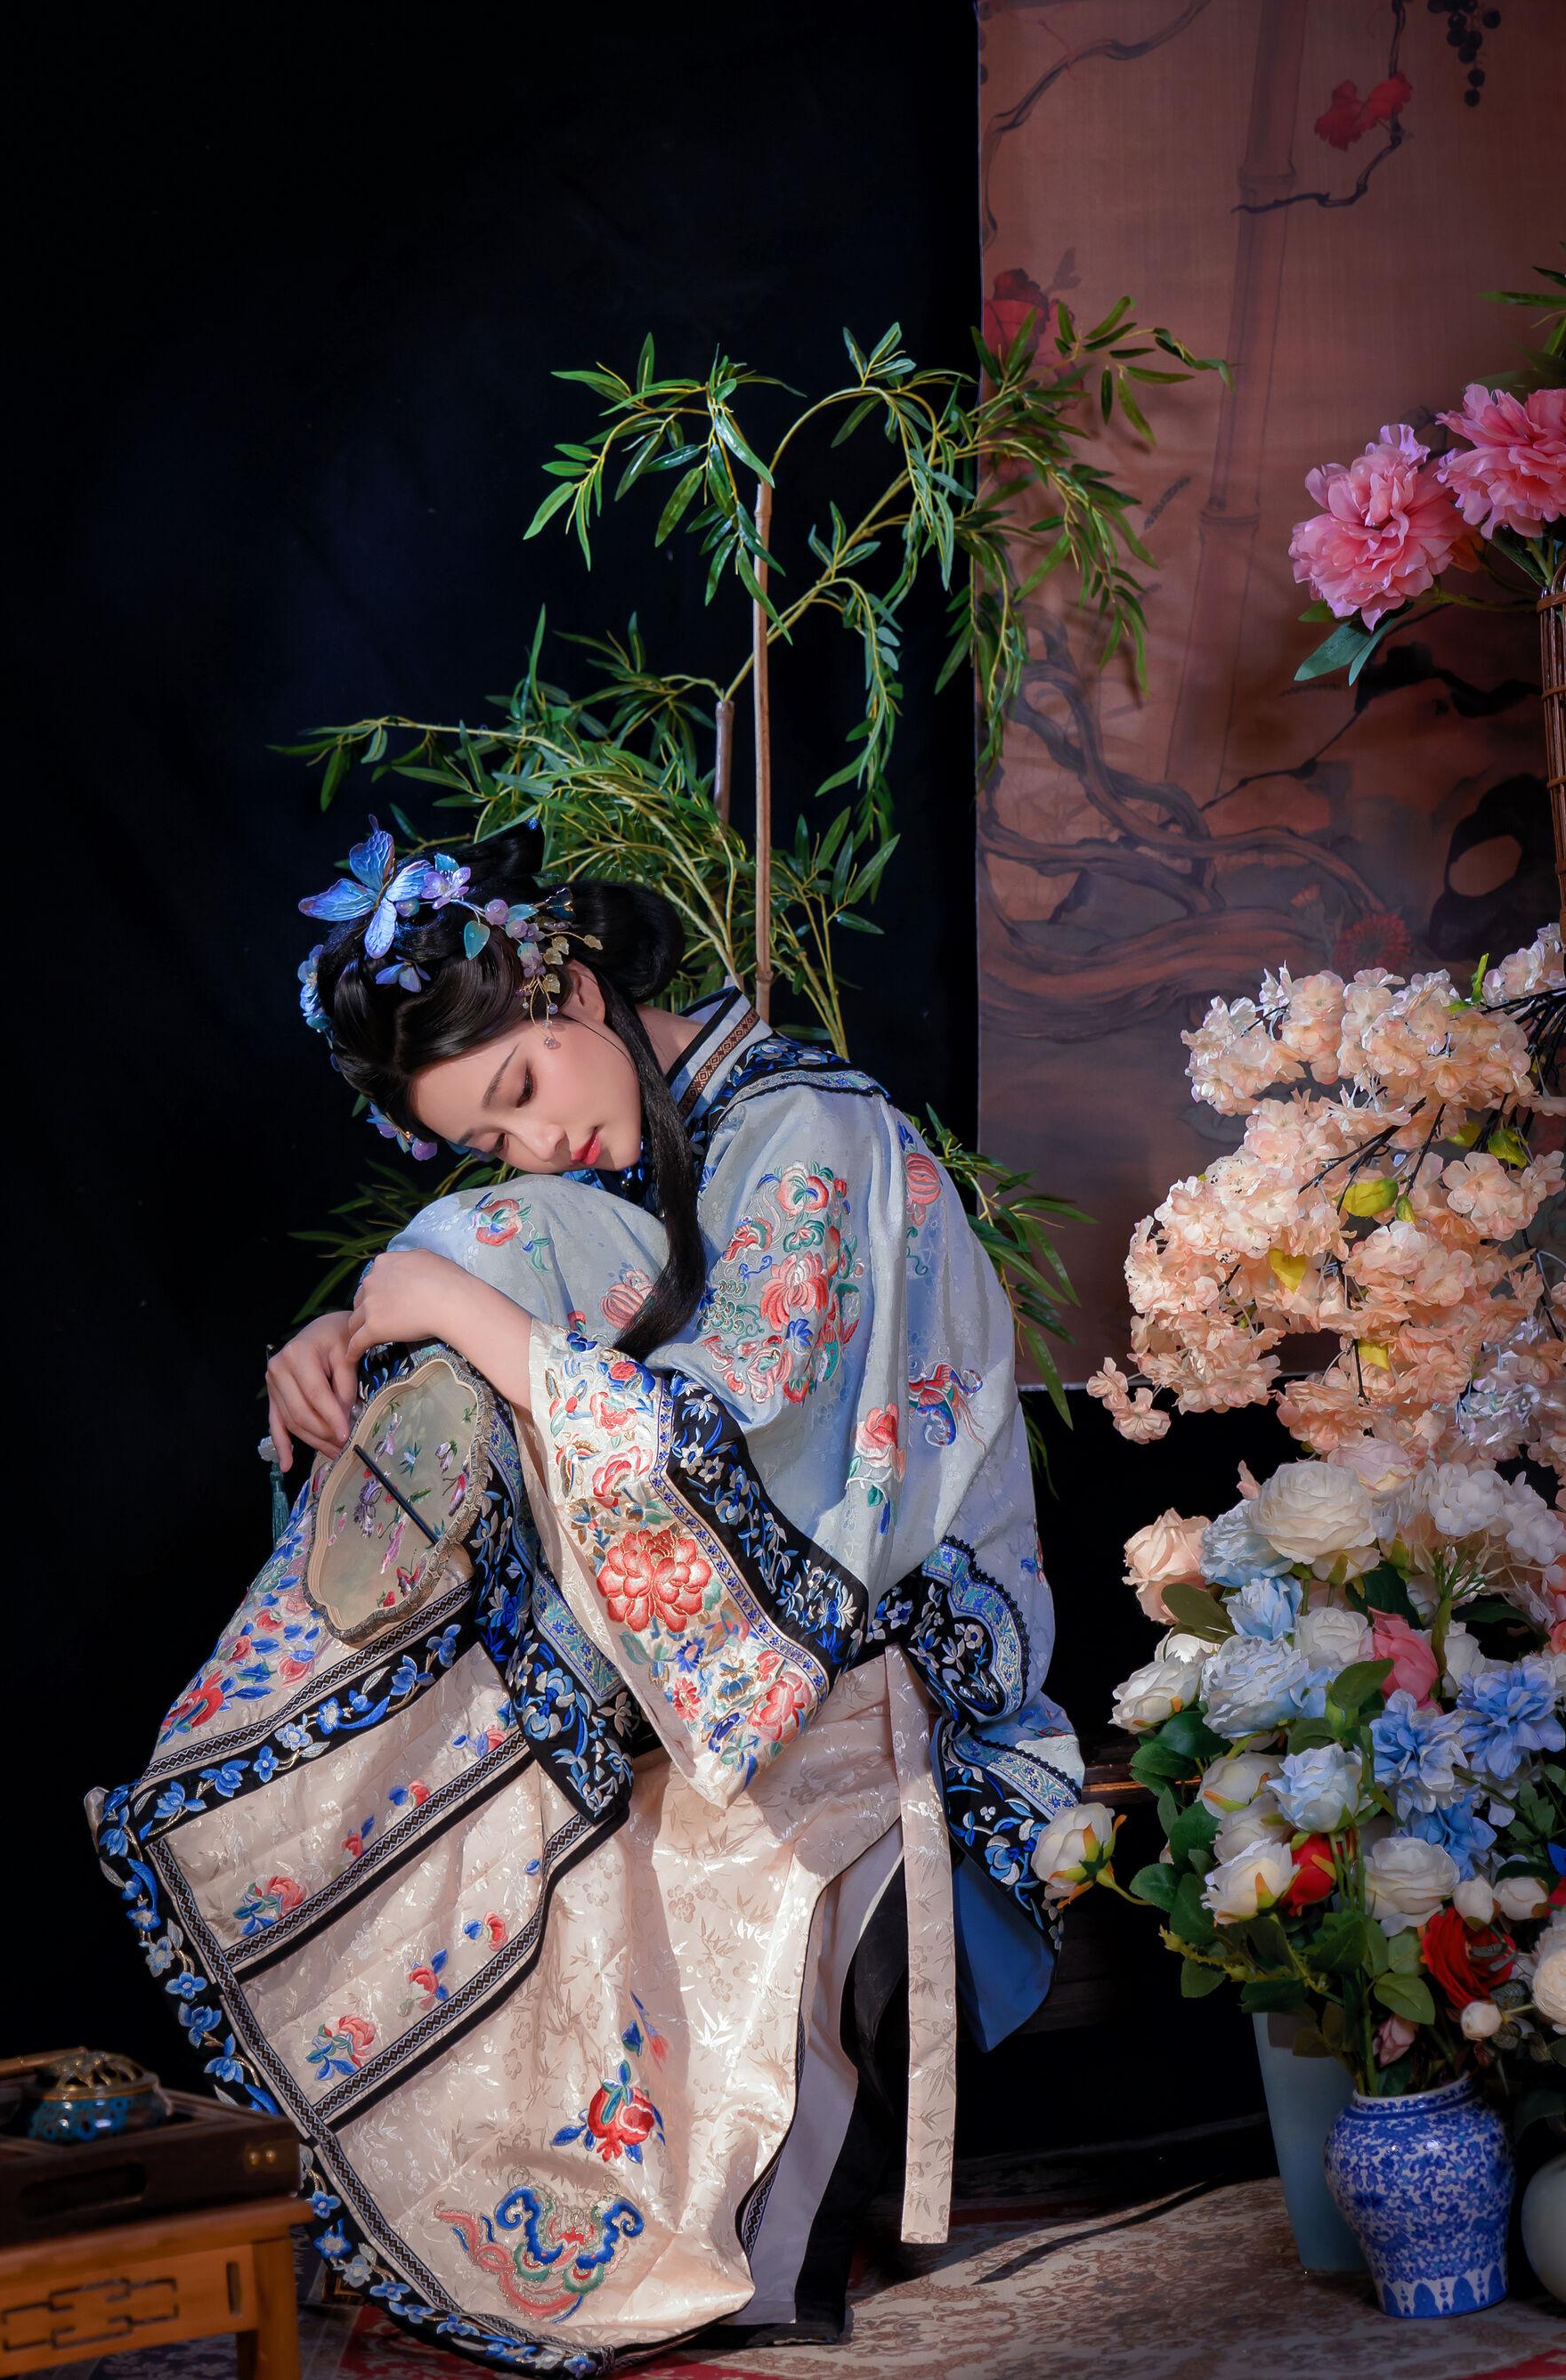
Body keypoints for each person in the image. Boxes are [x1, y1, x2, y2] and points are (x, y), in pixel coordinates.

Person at [88, 818, 1083, 2372]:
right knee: (457, 1290)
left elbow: (727, 1446)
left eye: (521, 1089)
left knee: (471, 1287)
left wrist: (455, 1307)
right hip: (715, 1655)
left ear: (569, 984)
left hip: (882, 1640)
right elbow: (534, 1297)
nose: (537, 1142)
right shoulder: (640, 1159)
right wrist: (369, 1330)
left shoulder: (811, 1129)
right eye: (491, 1134)